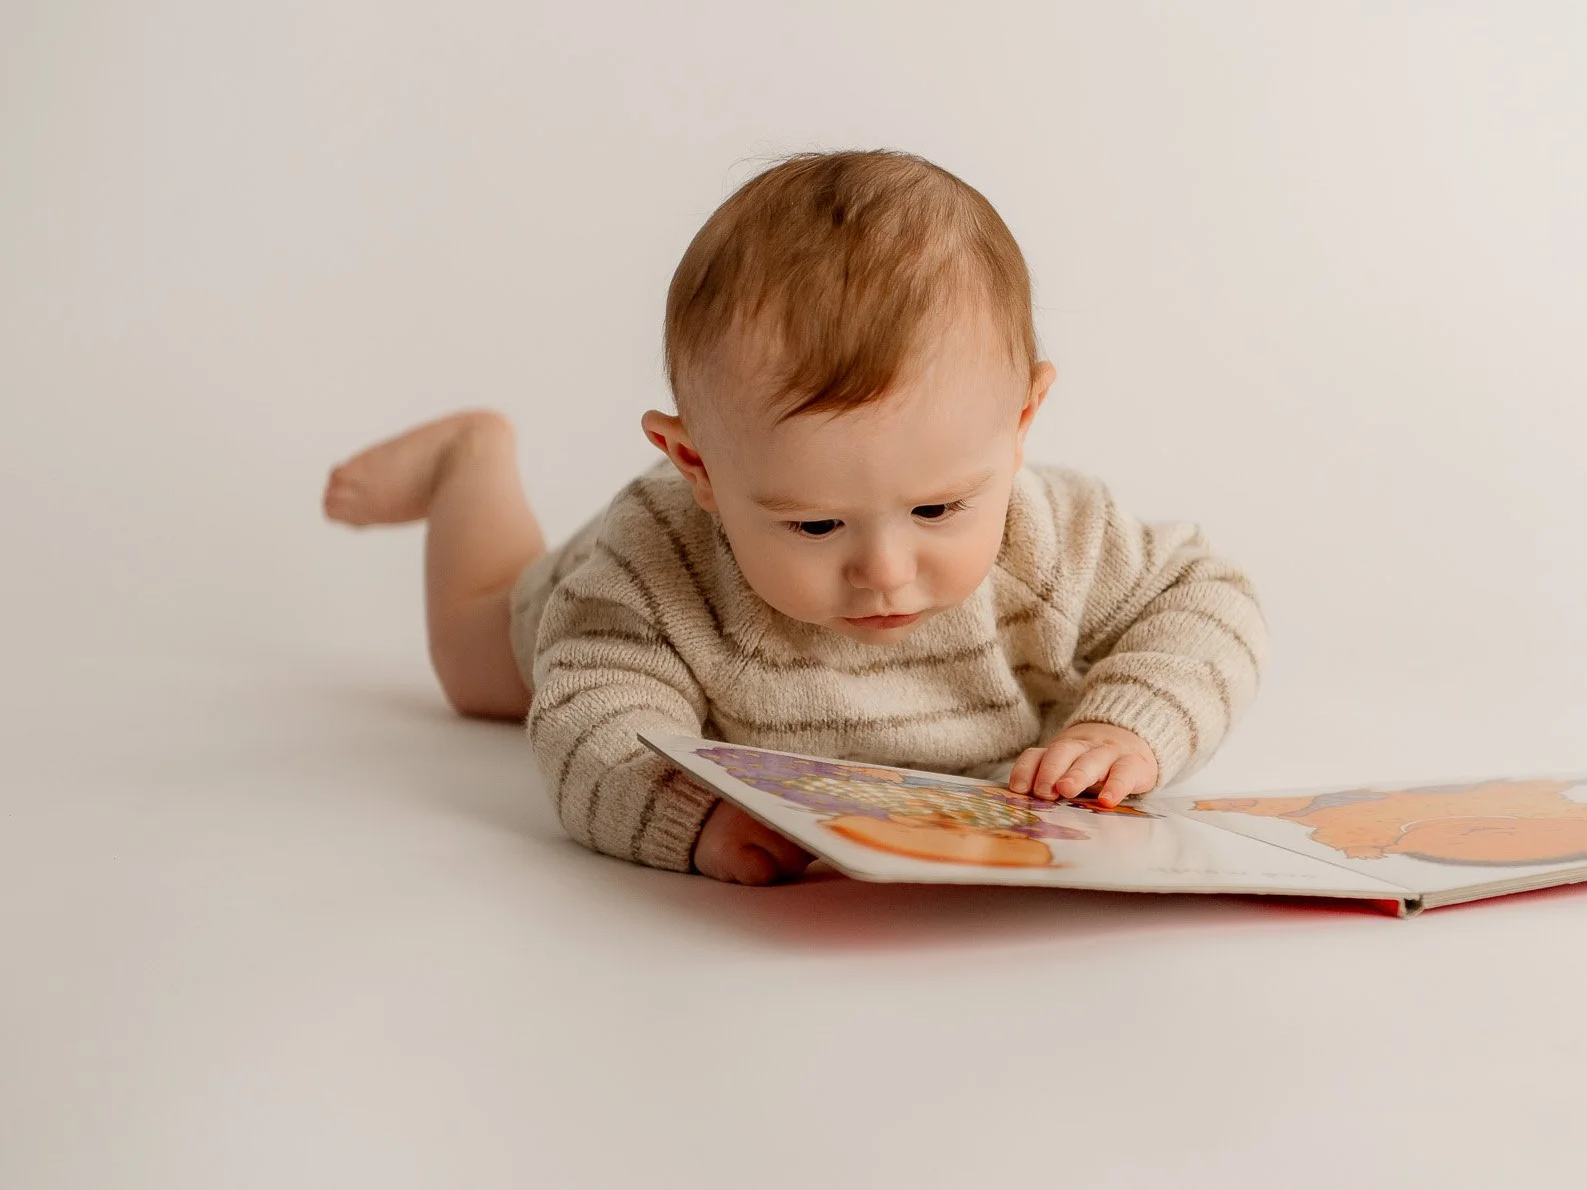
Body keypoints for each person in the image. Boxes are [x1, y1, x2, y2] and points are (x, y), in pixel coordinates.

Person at [324, 151, 1265, 885]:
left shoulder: (1053, 537)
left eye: (939, 507)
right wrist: (688, 813)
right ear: (698, 465)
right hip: (567, 610)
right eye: (816, 526)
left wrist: (1130, 726)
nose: (885, 569)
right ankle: (471, 462)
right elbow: (590, 720)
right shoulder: (651, 573)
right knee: (474, 664)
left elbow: (1207, 600)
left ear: (1019, 423)